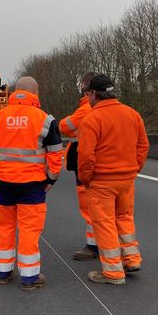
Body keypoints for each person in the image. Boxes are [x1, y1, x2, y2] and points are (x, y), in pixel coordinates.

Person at [0, 77, 63, 290]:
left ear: (15, 93)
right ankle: (30, 277)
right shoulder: (45, 119)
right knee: (29, 230)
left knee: (4, 228)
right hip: (32, 185)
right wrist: (51, 179)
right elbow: (55, 154)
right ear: (36, 93)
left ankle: (3, 272)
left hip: (2, 183)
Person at [78, 75, 149, 285]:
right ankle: (131, 259)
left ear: (92, 94)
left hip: (101, 181)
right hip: (126, 179)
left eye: (87, 93)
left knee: (105, 224)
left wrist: (86, 179)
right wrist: (134, 168)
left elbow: (86, 156)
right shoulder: (132, 114)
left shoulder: (92, 118)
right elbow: (143, 146)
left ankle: (113, 272)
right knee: (124, 217)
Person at [58, 72, 99, 260]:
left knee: (89, 205)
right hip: (104, 163)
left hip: (85, 161)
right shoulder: (116, 109)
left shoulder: (85, 109)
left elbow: (64, 127)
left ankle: (94, 245)